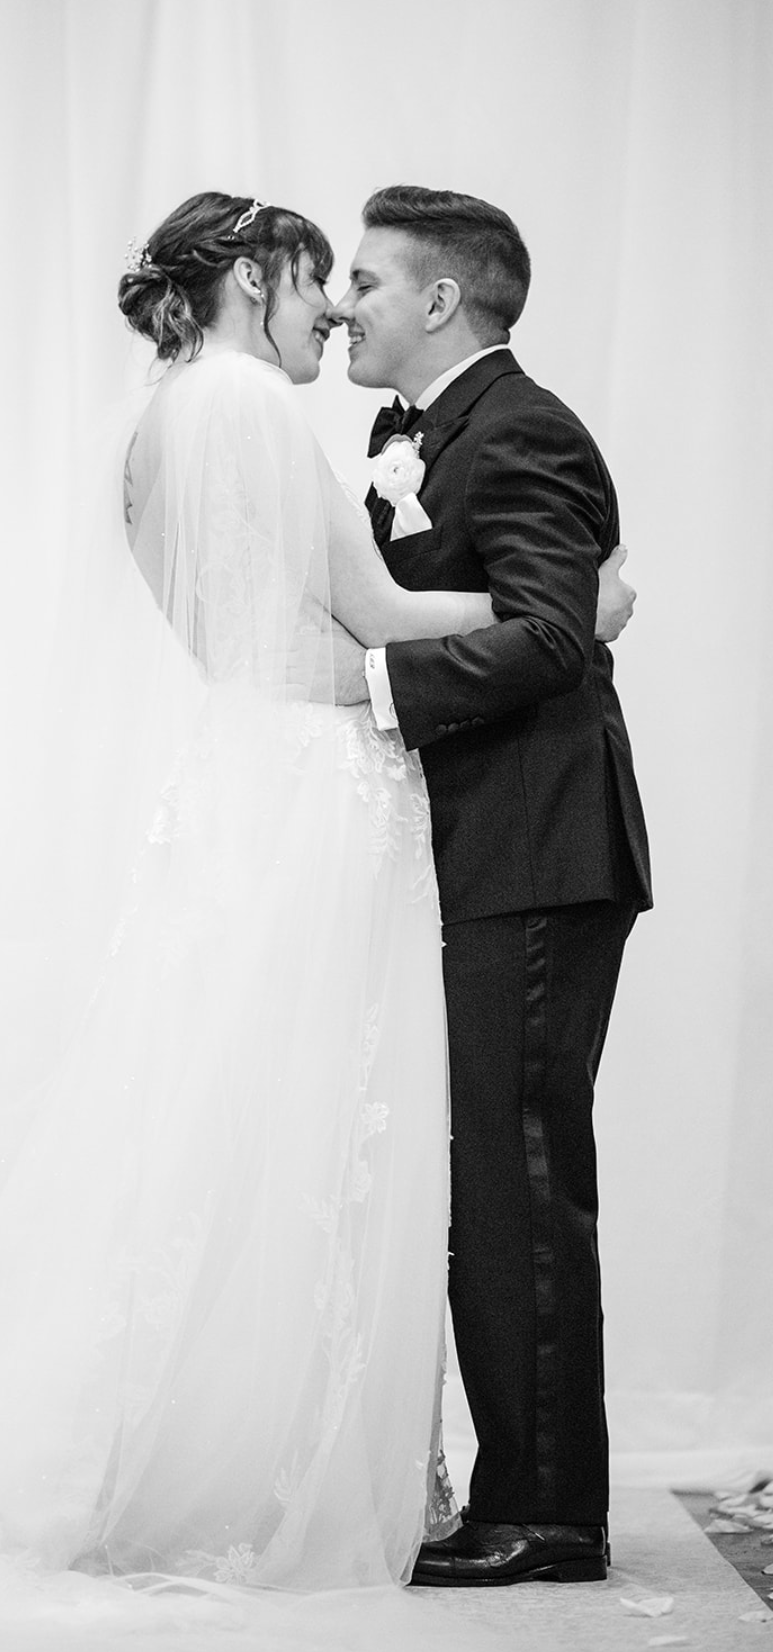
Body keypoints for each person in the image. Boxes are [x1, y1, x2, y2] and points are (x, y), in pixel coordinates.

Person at [0, 190, 628, 1652]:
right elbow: (384, 613)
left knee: (228, 1134)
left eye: (361, 283)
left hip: (238, 787)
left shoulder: (153, 427)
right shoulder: (254, 413)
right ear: (253, 279)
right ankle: (287, 1463)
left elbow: (234, 634)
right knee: (306, 1141)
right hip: (316, 794)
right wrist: (592, 604)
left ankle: (231, 1453)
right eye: (319, 279)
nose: (333, 309)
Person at [327, 185, 652, 1587]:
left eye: (367, 280)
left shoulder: (513, 427)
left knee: (515, 1176)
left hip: (534, 846)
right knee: (484, 1169)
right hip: (486, 848)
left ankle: (546, 1514)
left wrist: (370, 685)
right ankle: (524, 1495)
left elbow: (552, 637)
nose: (344, 303)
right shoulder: (427, 434)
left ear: (442, 301)